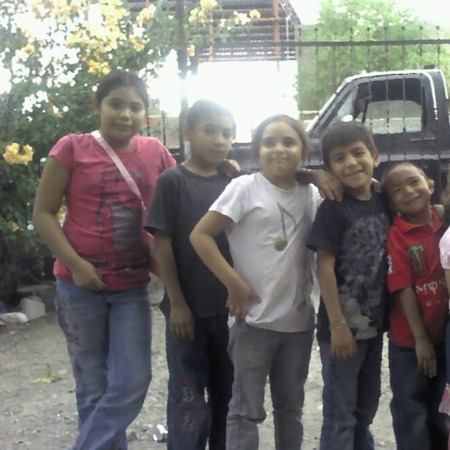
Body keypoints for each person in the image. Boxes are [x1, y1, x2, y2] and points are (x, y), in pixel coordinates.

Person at [33, 69, 176, 450]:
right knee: (92, 387)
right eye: (116, 104)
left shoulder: (155, 152)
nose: (125, 115)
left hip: (132, 288)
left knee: (132, 382)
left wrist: (224, 170)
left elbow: (186, 188)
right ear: (98, 106)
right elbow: (43, 213)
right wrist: (76, 264)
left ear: (145, 113)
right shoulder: (71, 149)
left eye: (135, 107)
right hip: (78, 287)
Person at [190, 114, 322, 450]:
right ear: (257, 150)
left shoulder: (311, 194)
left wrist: (317, 175)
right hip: (253, 321)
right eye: (269, 142)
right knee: (246, 411)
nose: (279, 149)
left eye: (289, 142)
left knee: (290, 409)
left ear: (304, 151)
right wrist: (233, 283)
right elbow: (200, 235)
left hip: (298, 324)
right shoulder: (244, 188)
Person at [144, 99, 236, 450]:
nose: (219, 140)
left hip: (230, 312)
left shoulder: (234, 181)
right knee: (188, 397)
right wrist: (178, 304)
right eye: (209, 131)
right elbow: (162, 243)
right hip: (188, 313)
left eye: (226, 133)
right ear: (187, 131)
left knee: (229, 395)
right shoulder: (173, 182)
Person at [306, 121, 390, 450]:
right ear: (329, 169)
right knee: (341, 416)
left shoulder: (384, 199)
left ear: (375, 156)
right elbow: (324, 266)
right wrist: (338, 325)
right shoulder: (333, 207)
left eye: (358, 153)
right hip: (341, 332)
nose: (351, 163)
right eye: (339, 158)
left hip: (374, 328)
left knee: (365, 408)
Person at [382, 162, 448, 450]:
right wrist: (420, 339)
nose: (408, 192)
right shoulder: (397, 235)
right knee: (410, 411)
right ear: (391, 203)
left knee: (440, 411)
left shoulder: (444, 224)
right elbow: (402, 288)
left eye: (413, 182)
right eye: (397, 190)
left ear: (430, 185)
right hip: (409, 344)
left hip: (442, 339)